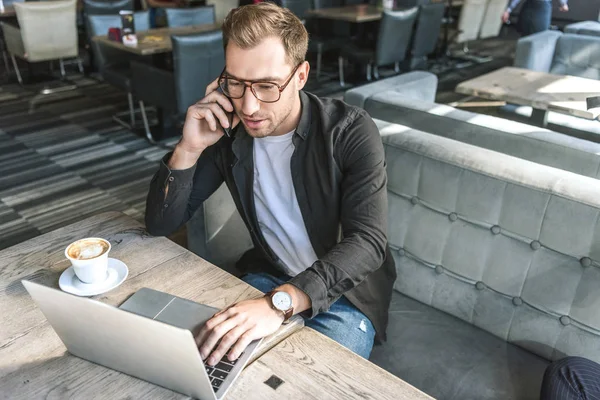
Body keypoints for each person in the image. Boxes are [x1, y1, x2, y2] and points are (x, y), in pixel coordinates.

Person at [144, 2, 395, 367]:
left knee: (303, 382)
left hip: (345, 295)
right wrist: (189, 147)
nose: (248, 106)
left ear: (301, 75)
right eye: (235, 83)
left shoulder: (349, 130)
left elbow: (368, 243)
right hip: (270, 275)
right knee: (199, 359)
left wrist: (279, 303)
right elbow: (160, 224)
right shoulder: (229, 133)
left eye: (266, 86)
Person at [502, 0, 569, 37]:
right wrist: (508, 10)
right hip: (530, 7)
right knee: (526, 34)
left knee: (539, 36)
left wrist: (564, 3)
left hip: (541, 8)